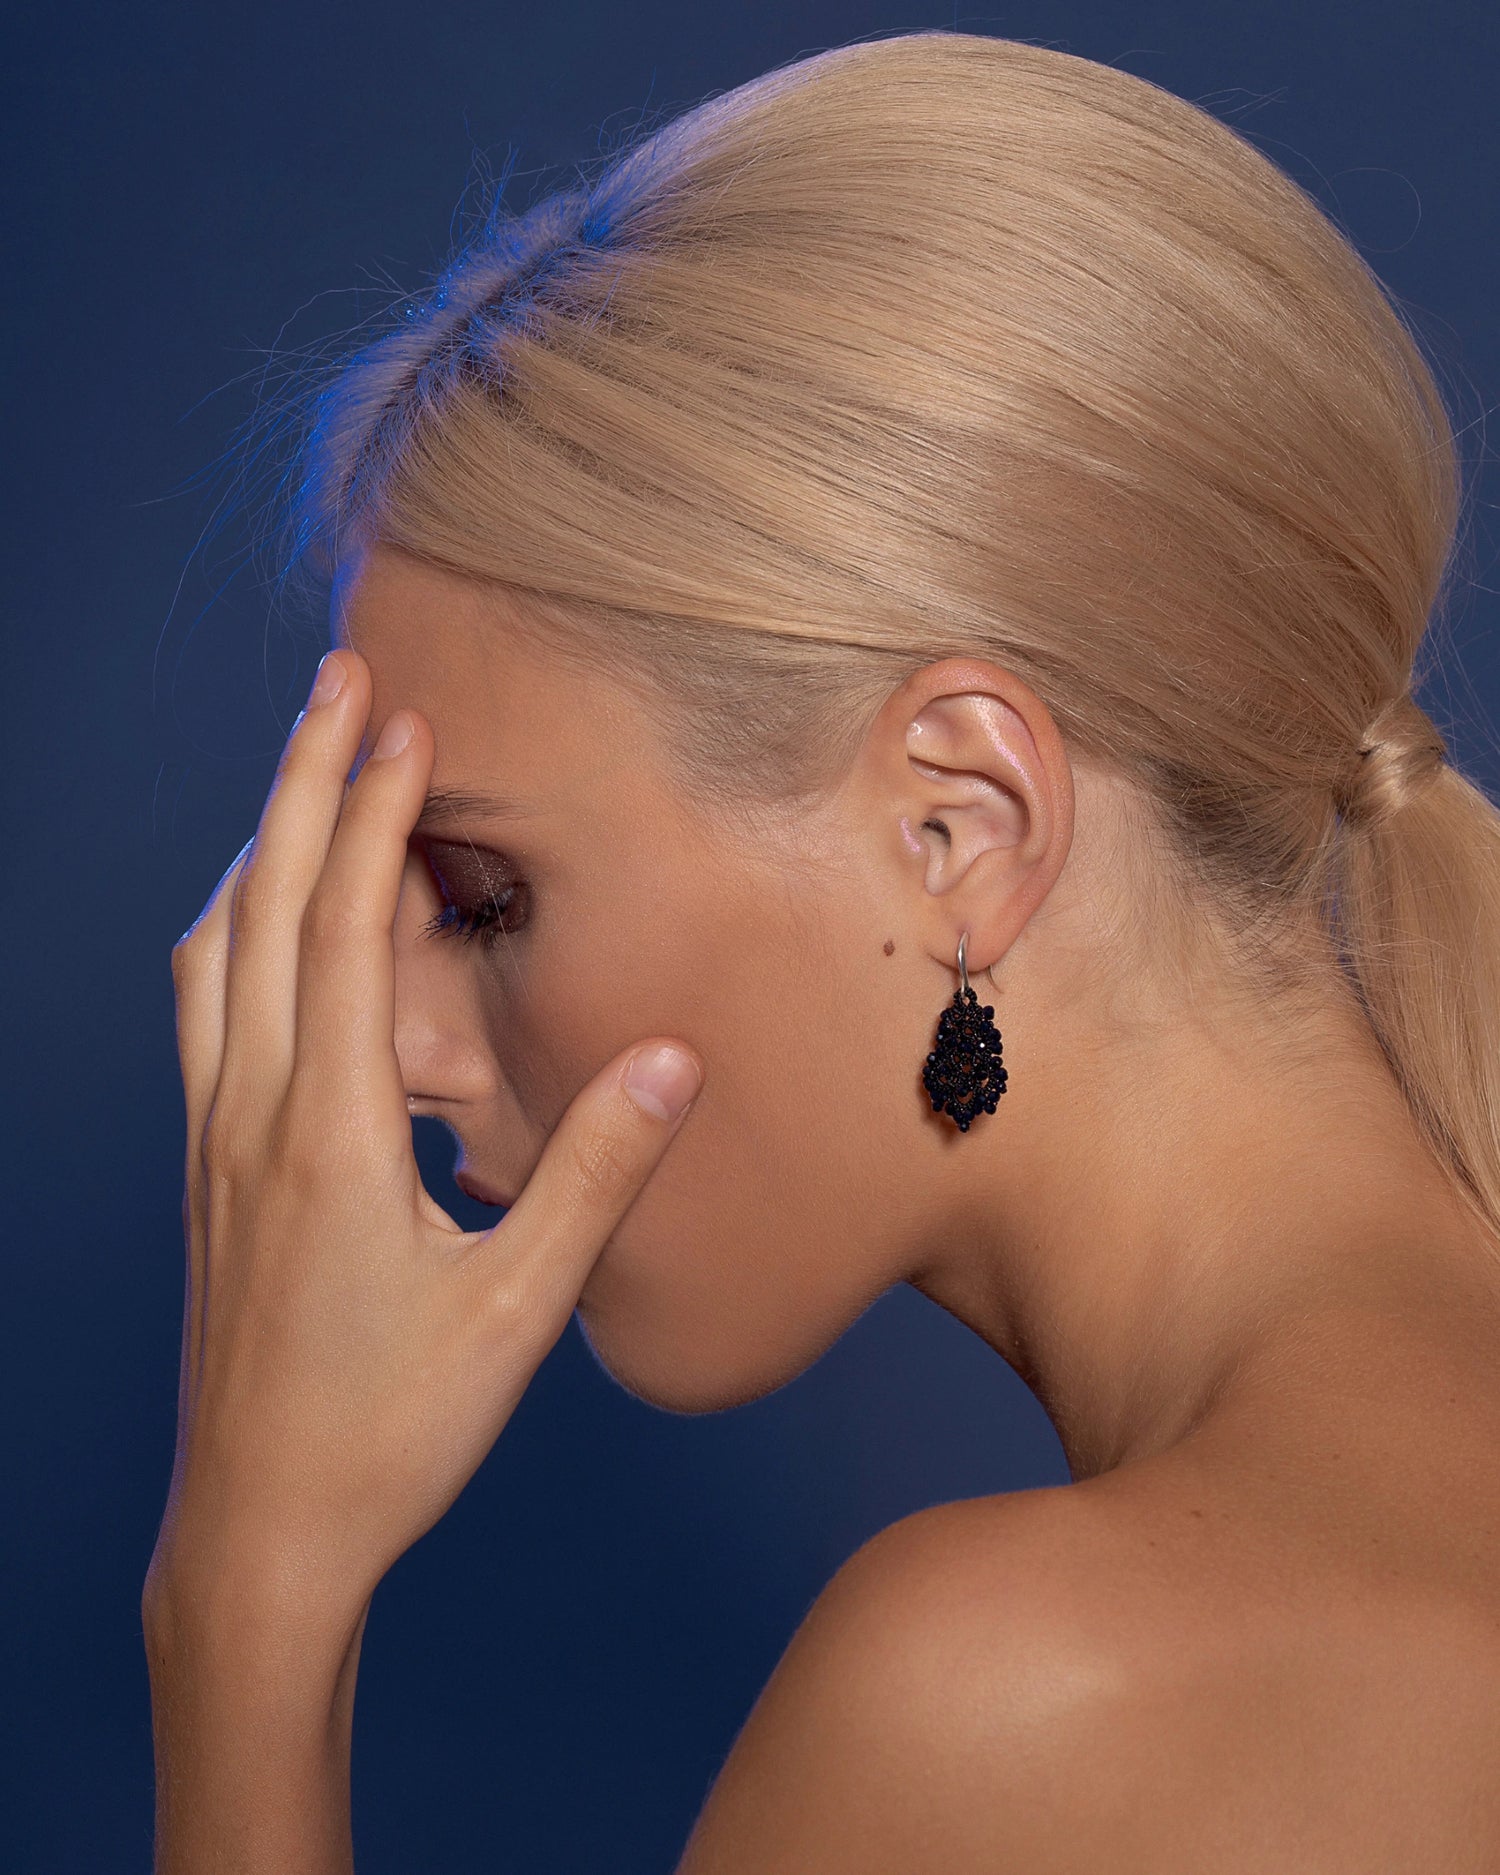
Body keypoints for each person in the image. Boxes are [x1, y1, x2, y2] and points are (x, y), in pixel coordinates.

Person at [142, 29, 1500, 1872]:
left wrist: (245, 1608)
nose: (381, 1042)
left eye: (477, 894)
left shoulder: (1030, 1703)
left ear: (963, 827)